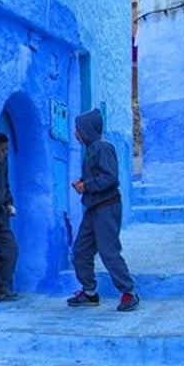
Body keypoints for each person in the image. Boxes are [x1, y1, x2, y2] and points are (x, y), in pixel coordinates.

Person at [67, 108, 139, 311]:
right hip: (94, 208)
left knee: (109, 252)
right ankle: (89, 292)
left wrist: (86, 186)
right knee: (81, 250)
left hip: (107, 208)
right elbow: (99, 175)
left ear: (87, 129)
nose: (75, 133)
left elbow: (110, 177)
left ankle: (129, 292)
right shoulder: (91, 149)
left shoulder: (103, 148)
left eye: (77, 129)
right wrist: (84, 183)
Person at [0, 134, 19, 302]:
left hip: (2, 214)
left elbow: (6, 185)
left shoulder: (3, 165)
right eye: (2, 150)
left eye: (6, 150)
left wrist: (9, 203)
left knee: (10, 249)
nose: (4, 154)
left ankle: (2, 286)